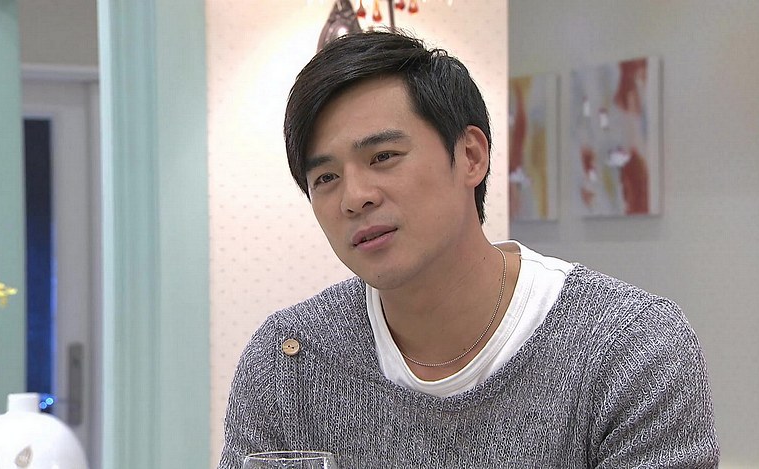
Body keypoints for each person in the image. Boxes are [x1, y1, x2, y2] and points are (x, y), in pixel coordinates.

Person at [219, 31, 719, 468]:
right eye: (326, 178)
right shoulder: (288, 361)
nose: (355, 197)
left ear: (471, 156)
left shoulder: (630, 349)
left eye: (383, 156)